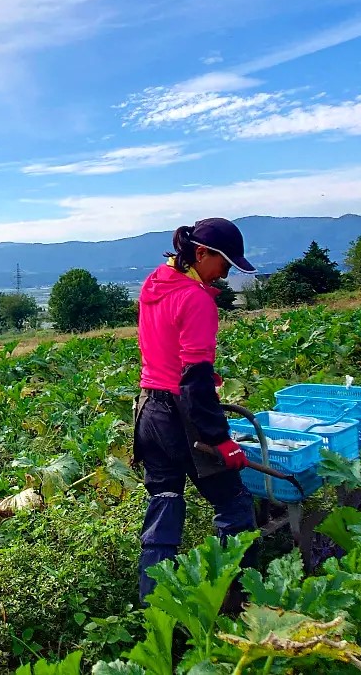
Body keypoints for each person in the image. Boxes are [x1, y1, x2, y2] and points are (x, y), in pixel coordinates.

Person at [133, 217, 258, 603]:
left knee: (165, 502)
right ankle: (237, 600)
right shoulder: (196, 299)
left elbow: (165, 350)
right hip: (181, 416)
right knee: (234, 504)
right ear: (201, 254)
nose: (224, 273)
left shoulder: (155, 283)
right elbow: (194, 379)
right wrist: (219, 440)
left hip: (148, 410)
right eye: (223, 263)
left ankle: (153, 607)